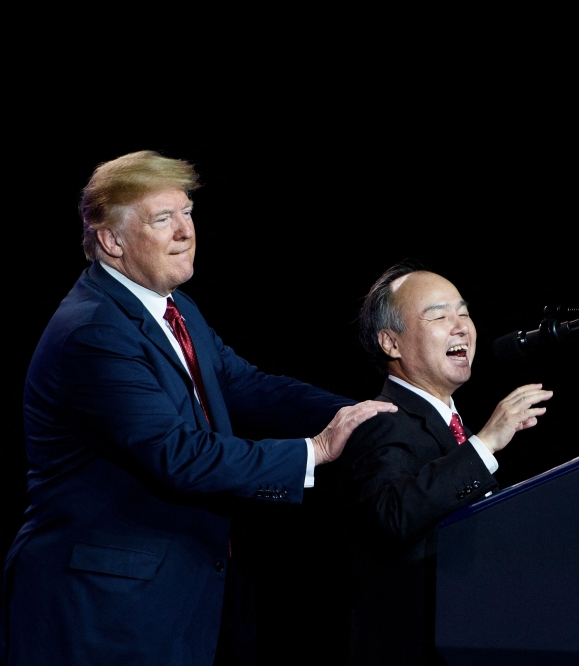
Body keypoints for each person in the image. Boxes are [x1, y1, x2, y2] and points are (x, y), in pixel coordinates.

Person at [0, 151, 396, 666]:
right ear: (112, 241)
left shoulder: (174, 307)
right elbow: (178, 455)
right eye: (163, 219)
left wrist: (370, 414)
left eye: (187, 213)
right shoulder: (93, 332)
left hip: (175, 598)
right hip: (102, 612)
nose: (186, 231)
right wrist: (316, 450)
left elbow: (247, 385)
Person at [337, 261, 552, 665]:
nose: (461, 327)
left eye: (464, 312)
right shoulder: (379, 419)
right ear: (391, 343)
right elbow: (391, 514)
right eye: (438, 315)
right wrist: (485, 443)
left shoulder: (451, 425)